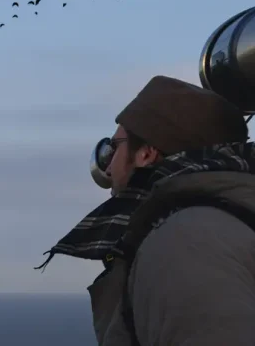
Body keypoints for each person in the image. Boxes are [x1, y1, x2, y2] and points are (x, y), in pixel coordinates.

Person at [38, 75, 255, 346]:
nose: (107, 168)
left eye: (113, 148)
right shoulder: (228, 218)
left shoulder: (184, 240)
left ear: (146, 154)